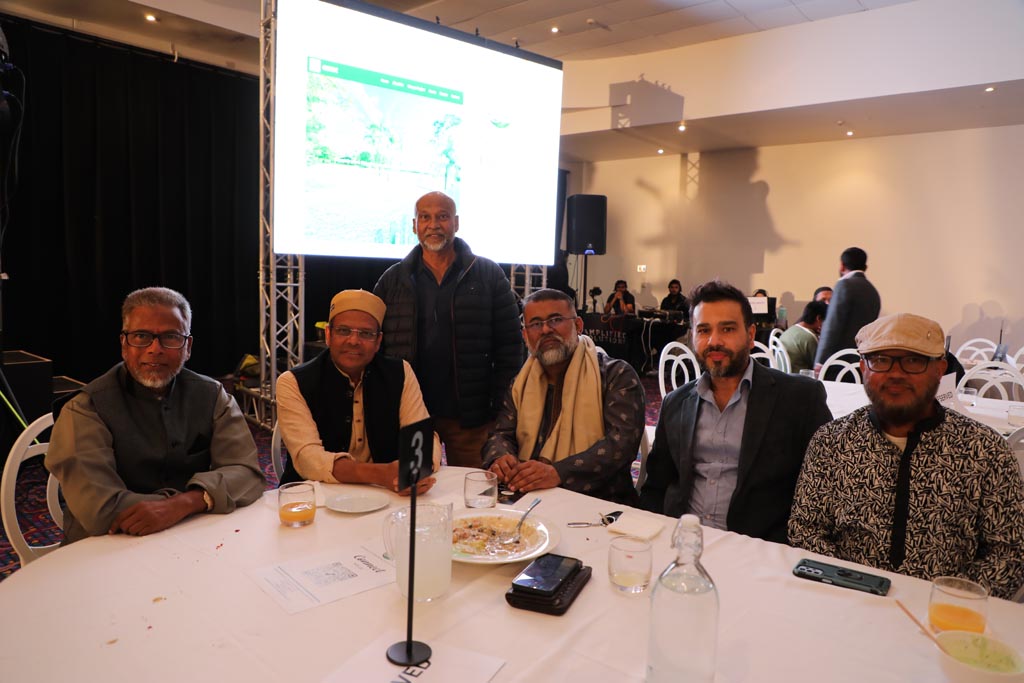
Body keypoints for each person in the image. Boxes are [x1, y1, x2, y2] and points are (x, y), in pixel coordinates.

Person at [789, 313, 1024, 599]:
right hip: (844, 603)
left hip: (945, 614)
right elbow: (806, 529)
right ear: (863, 367)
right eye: (881, 359)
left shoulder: (985, 451)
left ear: (939, 369)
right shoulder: (832, 442)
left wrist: (949, 600)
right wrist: (849, 590)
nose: (896, 373)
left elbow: (1010, 552)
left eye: (913, 360)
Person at [45, 287, 264, 543]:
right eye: (141, 336)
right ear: (124, 344)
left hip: (191, 536)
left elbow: (247, 473)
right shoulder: (86, 407)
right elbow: (101, 509)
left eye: (170, 337)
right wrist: (200, 499)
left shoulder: (212, 395)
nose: (155, 349)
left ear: (188, 347)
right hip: (107, 546)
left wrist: (182, 504)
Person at [639, 280, 832, 544]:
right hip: (681, 542)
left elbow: (823, 492)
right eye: (704, 330)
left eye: (727, 329)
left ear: (751, 335)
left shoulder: (799, 398)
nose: (714, 341)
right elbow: (656, 486)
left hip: (757, 549)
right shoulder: (675, 402)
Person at [373, 191, 523, 468]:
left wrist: (499, 406)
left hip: (471, 417)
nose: (434, 225)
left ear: (456, 222)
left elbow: (511, 348)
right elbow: (377, 348)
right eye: (425, 217)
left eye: (442, 216)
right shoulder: (392, 280)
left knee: (474, 487)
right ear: (414, 225)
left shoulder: (489, 274)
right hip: (412, 413)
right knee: (414, 486)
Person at [483, 289, 645, 504]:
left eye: (556, 320)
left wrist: (558, 472)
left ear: (578, 325)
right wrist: (501, 457)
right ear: (525, 335)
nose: (546, 330)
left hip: (599, 503)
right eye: (535, 324)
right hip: (526, 496)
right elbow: (501, 433)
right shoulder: (520, 383)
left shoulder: (616, 375)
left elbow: (621, 446)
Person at [275, 290, 439, 494]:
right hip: (314, 497)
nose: (353, 341)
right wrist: (381, 474)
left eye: (366, 334)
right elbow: (308, 459)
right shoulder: (293, 382)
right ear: (328, 335)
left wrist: (413, 472)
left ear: (378, 341)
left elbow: (422, 437)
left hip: (387, 495)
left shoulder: (400, 372)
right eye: (343, 331)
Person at [814, 246, 881, 372]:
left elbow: (832, 326)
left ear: (842, 266)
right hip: (861, 362)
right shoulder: (872, 291)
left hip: (838, 362)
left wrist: (820, 361)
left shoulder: (844, 285)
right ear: (865, 267)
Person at [778, 300, 828, 374]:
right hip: (799, 378)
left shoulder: (790, 330)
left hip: (781, 375)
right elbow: (820, 366)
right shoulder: (809, 337)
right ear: (818, 318)